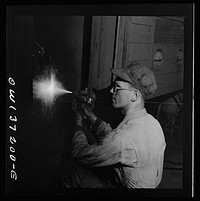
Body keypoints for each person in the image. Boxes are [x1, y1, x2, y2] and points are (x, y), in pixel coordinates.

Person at [60, 62, 166, 188]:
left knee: (69, 170)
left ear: (135, 95)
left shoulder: (123, 139)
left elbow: (78, 152)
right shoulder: (152, 123)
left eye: (117, 87)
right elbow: (116, 139)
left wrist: (78, 122)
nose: (111, 90)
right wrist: (89, 115)